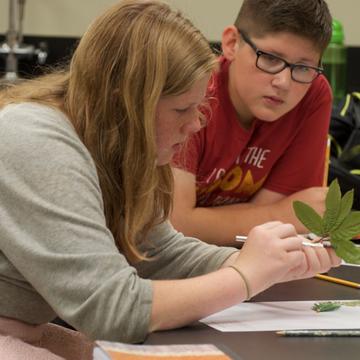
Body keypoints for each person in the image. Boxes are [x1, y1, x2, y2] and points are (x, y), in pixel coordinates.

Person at [0, 1, 340, 359]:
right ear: (123, 101)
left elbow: (157, 251)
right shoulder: (34, 140)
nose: (195, 125)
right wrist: (244, 277)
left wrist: (273, 262)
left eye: (199, 107)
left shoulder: (113, 140)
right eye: (182, 109)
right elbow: (111, 310)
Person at [171, 0, 334, 246]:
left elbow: (273, 234)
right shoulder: (194, 91)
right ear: (232, 44)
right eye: (269, 58)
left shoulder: (313, 95)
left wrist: (204, 222)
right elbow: (175, 225)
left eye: (303, 67)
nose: (284, 82)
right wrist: (280, 214)